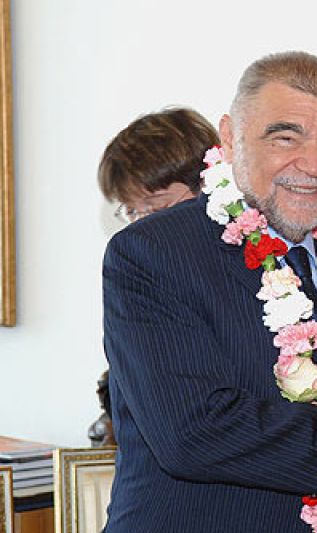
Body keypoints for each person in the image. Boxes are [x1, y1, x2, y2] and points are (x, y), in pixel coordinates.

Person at [102, 52, 317, 532]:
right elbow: (192, 430)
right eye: (286, 137)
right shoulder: (154, 251)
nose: (314, 164)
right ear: (230, 138)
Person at [91, 107, 221, 447]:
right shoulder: (135, 268)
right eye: (133, 211)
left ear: (208, 185)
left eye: (156, 206)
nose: (143, 224)